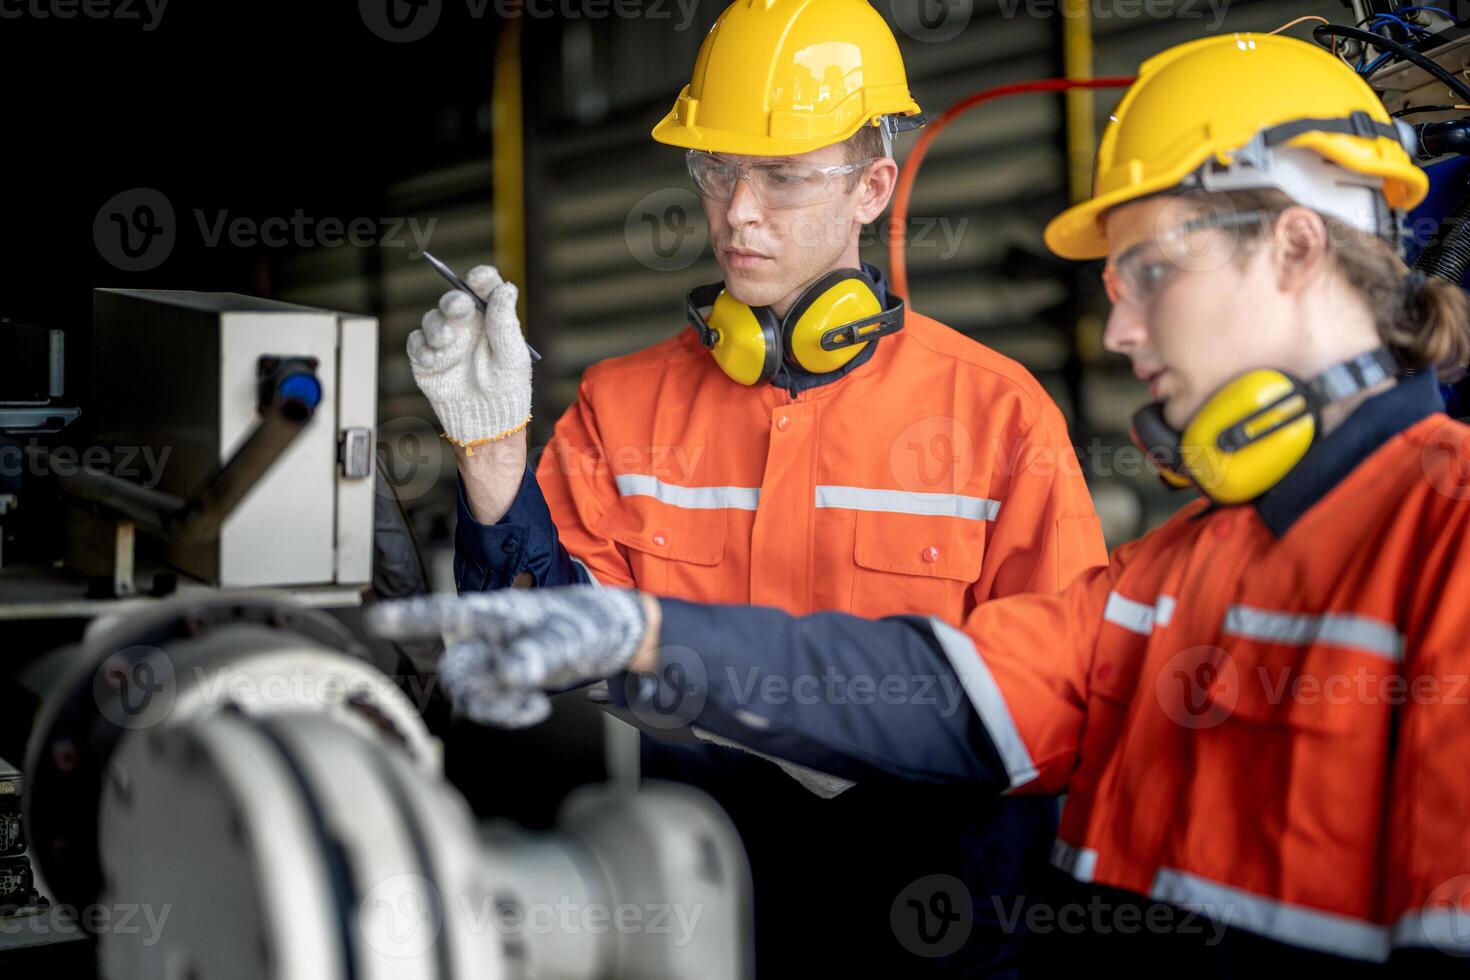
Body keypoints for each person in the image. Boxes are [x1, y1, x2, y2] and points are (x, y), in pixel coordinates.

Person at [377, 32, 1470, 974]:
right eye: (719, 170)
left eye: (1147, 273)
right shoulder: (1176, 576)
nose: (1122, 331)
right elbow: (951, 688)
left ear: (1293, 245)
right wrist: (637, 623)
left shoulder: (1445, 548)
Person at [405, 0, 1106, 972]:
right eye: (717, 170)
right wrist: (489, 452)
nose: (738, 211)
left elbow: (1061, 712)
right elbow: (539, 642)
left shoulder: (999, 418)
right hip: (683, 919)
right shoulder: (622, 404)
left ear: (873, 187)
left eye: (781, 176)